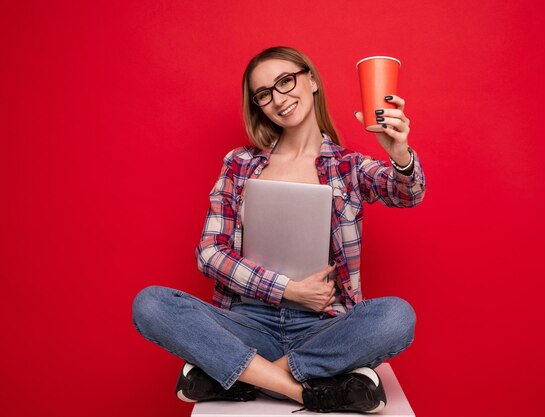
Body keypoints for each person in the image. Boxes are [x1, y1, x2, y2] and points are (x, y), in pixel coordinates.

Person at [132, 46, 426, 413]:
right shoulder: (240, 164)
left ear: (312, 80)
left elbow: (406, 194)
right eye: (264, 94)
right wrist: (289, 289)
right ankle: (307, 390)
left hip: (322, 329)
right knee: (151, 304)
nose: (279, 99)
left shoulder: (347, 166)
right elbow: (209, 253)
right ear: (258, 105)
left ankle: (248, 376)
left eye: (286, 81)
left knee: (397, 316)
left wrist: (400, 152)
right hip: (248, 322)